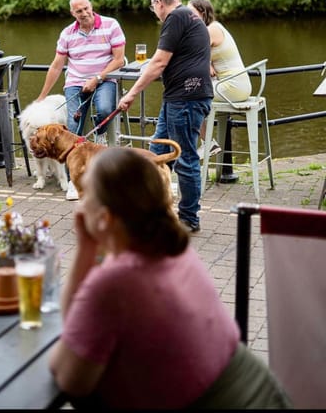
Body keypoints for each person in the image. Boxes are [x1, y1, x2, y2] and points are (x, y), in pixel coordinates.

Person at [49, 147, 292, 409]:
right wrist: (87, 247)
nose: (80, 203)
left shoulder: (116, 280)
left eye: (86, 193)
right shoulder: (170, 245)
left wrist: (85, 248)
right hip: (261, 390)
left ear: (105, 218)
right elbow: (77, 321)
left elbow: (69, 377)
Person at [118, 0, 212, 232]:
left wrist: (131, 93)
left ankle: (189, 219)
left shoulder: (175, 17)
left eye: (153, 7)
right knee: (156, 155)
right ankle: (152, 209)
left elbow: (159, 62)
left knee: (186, 158)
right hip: (181, 97)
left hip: (185, 99)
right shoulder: (193, 16)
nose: (155, 12)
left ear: (159, 2)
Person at [37, 0, 126, 201]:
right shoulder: (67, 33)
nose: (85, 13)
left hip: (104, 79)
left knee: (104, 109)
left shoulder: (111, 25)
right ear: (72, 13)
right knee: (72, 128)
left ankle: (100, 136)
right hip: (75, 82)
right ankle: (73, 183)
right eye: (79, 11)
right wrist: (42, 96)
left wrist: (97, 78)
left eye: (87, 8)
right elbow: (57, 65)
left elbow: (119, 60)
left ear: (91, 5)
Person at [188, 0, 252, 159]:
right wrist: (207, 62)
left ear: (202, 13)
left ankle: (206, 143)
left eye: (191, 12)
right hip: (236, 83)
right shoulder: (214, 27)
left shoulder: (211, 30)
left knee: (190, 96)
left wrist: (206, 62)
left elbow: (192, 54)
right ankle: (205, 142)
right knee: (193, 91)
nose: (188, 16)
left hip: (232, 86)